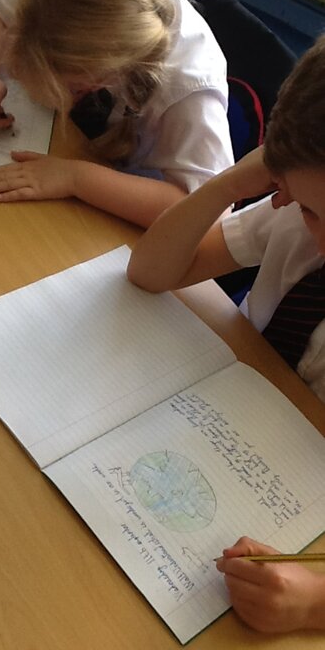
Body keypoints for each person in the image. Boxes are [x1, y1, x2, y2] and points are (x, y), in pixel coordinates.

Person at [127, 34, 325, 633]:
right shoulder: (296, 214)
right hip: (238, 436)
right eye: (313, 211)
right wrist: (228, 184)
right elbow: (153, 271)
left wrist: (316, 605)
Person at [0, 0, 234, 227]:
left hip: (133, 193)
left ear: (103, 73)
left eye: (71, 85)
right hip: (77, 143)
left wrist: (77, 178)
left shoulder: (189, 89)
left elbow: (209, 213)